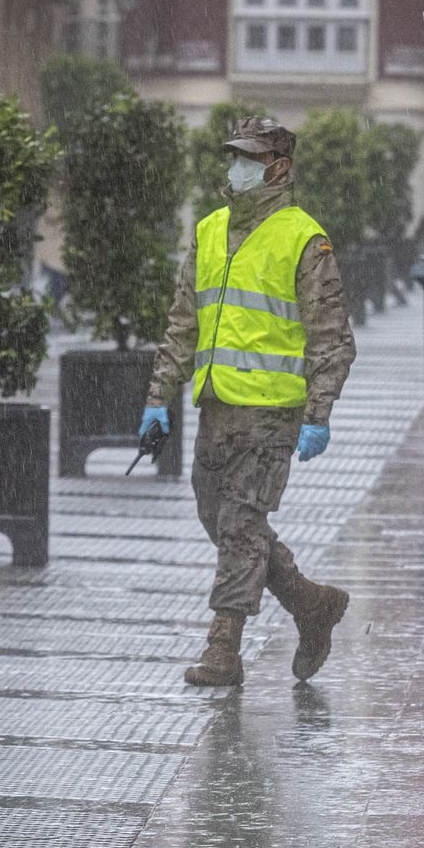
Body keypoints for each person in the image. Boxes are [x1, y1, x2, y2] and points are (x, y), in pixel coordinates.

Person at [141, 117, 356, 687]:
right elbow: (182, 321)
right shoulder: (211, 229)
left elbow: (333, 337)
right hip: (216, 407)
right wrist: (159, 396)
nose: (235, 167)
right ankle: (310, 602)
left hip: (271, 415)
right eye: (233, 155)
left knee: (240, 525)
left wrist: (319, 414)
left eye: (248, 158)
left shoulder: (304, 238)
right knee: (219, 518)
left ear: (278, 168)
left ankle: (223, 649)